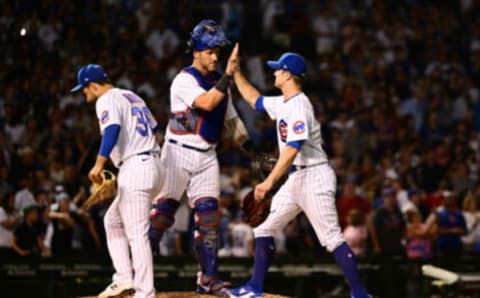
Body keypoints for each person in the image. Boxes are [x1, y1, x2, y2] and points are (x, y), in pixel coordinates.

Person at [227, 50, 371, 298]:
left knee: (331, 238)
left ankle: (360, 294)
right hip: (297, 178)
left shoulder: (300, 106)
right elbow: (255, 99)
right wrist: (236, 72)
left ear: (288, 74)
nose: (274, 72)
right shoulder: (284, 102)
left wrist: (268, 183)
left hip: (314, 176)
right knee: (263, 227)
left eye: (277, 69)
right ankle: (254, 288)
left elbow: (293, 149)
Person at [148, 20, 250, 296]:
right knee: (161, 217)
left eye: (218, 51)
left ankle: (208, 279)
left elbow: (232, 123)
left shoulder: (220, 84)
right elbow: (206, 103)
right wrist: (228, 75)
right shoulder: (183, 80)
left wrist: (255, 153)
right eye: (209, 51)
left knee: (209, 220)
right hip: (177, 153)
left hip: (206, 156)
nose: (215, 57)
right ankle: (137, 276)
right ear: (196, 51)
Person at [70, 64, 164, 298]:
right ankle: (124, 279)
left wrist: (99, 163)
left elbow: (112, 128)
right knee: (113, 220)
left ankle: (145, 292)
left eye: (84, 89)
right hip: (152, 163)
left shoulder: (106, 99)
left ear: (93, 85)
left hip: (136, 166)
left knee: (136, 233)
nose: (84, 93)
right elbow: (154, 128)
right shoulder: (131, 95)